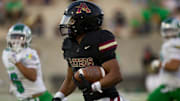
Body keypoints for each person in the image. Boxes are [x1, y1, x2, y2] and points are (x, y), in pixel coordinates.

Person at [52, 1, 126, 101]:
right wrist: (59, 96)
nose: (68, 24)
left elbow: (116, 75)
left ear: (83, 22)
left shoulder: (100, 39)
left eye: (71, 20)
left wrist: (96, 86)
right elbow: (71, 79)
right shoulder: (70, 44)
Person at [2, 23, 53, 101]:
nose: (16, 40)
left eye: (20, 37)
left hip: (40, 98)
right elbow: (13, 73)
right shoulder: (6, 53)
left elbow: (33, 77)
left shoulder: (30, 53)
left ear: (27, 38)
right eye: (14, 36)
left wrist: (17, 63)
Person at [147, 18, 180, 101]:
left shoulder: (173, 44)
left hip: (176, 86)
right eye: (166, 30)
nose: (168, 33)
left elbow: (174, 65)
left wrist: (158, 64)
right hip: (169, 86)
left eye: (171, 30)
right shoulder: (171, 44)